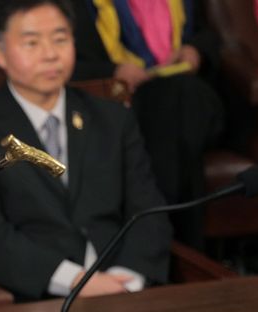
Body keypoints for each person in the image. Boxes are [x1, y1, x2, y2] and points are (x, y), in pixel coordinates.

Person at [0, 0, 172, 301]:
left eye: (60, 39)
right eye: (32, 42)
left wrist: (126, 279)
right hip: (39, 302)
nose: (50, 54)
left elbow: (149, 210)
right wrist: (74, 282)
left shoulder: (113, 119)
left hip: (126, 290)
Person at [70, 0, 224, 248]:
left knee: (178, 105)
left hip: (189, 100)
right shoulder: (80, 7)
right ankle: (186, 251)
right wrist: (114, 71)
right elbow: (63, 65)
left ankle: (158, 243)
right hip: (118, 105)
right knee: (176, 126)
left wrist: (196, 50)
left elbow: (207, 34)